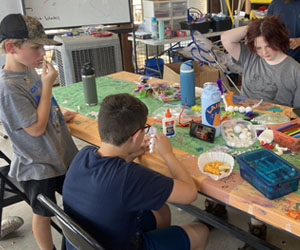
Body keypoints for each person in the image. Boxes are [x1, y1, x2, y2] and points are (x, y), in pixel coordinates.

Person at [63, 93, 209, 250]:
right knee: (201, 231)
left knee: (162, 211)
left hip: (87, 238)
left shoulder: (84, 154)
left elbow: (113, 177)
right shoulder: (130, 177)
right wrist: (168, 154)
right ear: (137, 135)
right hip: (115, 244)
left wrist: (131, 153)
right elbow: (190, 194)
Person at [221, 15, 300, 250]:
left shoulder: (294, 70)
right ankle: (218, 206)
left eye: (270, 45)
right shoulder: (250, 57)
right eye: (259, 47)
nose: (265, 52)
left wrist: (266, 30)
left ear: (281, 41)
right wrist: (258, 28)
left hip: (274, 133)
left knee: (257, 177)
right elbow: (226, 38)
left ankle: (257, 227)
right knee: (224, 161)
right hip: (239, 125)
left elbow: (296, 116)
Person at [0, 14, 78, 250]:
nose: (42, 53)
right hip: (38, 165)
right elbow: (34, 128)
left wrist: (56, 114)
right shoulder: (8, 86)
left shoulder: (27, 68)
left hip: (58, 153)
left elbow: (37, 109)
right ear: (10, 47)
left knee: (77, 200)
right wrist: (46, 85)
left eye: (42, 46)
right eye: (36, 47)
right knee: (43, 213)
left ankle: (75, 241)